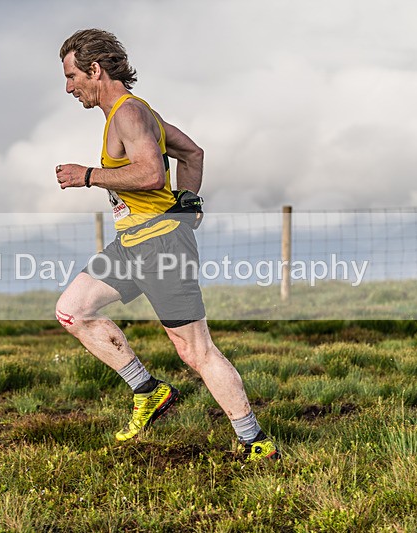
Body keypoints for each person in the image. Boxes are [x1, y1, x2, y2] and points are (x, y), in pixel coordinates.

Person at [54, 28, 278, 461]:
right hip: (131, 244)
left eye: (71, 76)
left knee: (194, 349)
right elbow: (192, 153)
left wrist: (88, 175)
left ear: (94, 70)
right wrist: (190, 199)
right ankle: (148, 390)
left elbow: (151, 175)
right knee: (72, 311)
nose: (68, 87)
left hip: (160, 244)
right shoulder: (131, 115)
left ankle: (254, 440)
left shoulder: (130, 114)